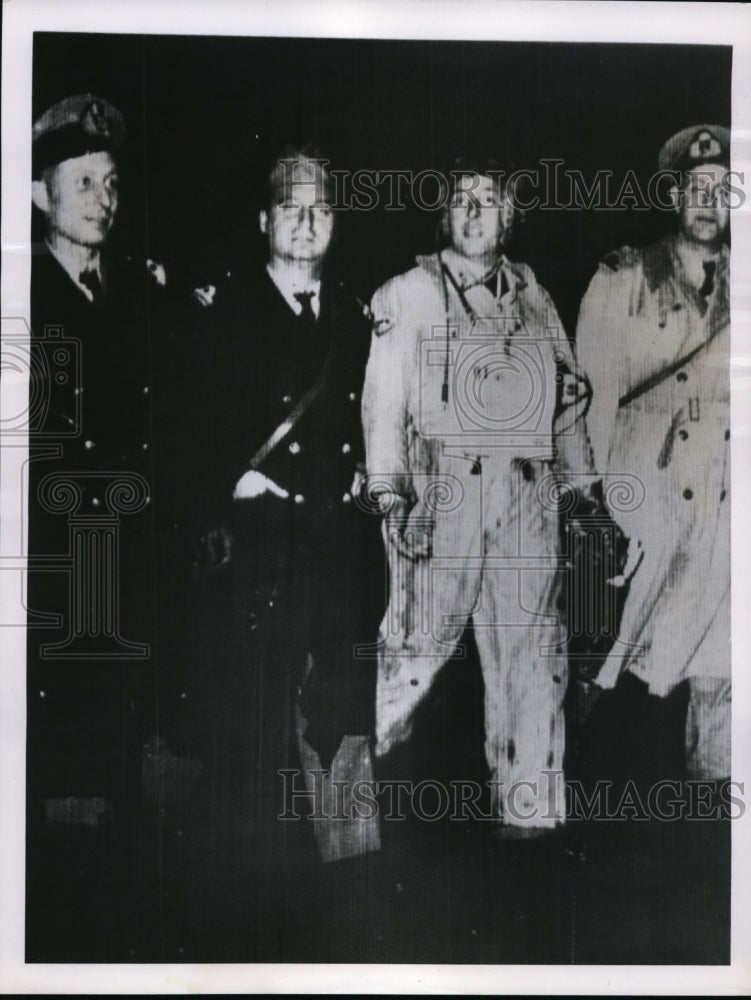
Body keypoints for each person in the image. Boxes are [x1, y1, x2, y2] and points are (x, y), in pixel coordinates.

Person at [179, 145, 382, 912]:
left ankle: (345, 878)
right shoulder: (219, 310)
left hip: (333, 540)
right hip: (257, 545)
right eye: (291, 207)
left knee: (339, 706)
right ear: (264, 219)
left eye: (321, 208)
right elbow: (186, 425)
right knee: (252, 718)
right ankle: (252, 896)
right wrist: (222, 488)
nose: (305, 223)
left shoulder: (356, 319)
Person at [361, 159, 589, 837]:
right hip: (443, 496)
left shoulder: (534, 296)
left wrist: (581, 496)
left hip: (523, 499)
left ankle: (528, 817)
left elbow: (568, 403)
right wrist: (390, 495)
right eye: (460, 201)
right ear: (444, 216)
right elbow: (383, 405)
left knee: (532, 654)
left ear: (508, 219)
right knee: (411, 653)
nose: (471, 212)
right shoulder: (407, 295)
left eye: (487, 202)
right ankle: (365, 812)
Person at [26, 93, 178, 958]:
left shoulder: (137, 292)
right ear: (42, 195)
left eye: (112, 183)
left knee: (119, 733)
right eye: (81, 181)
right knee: (60, 747)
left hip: (124, 547)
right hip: (48, 553)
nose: (102, 198)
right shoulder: (19, 290)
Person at [575, 125, 731, 783]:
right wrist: (590, 510)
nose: (707, 201)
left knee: (717, 678)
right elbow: (584, 405)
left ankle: (708, 837)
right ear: (672, 196)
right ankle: (605, 843)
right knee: (621, 681)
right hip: (643, 512)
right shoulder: (624, 277)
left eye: (723, 190)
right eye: (695, 188)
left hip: (723, 518)